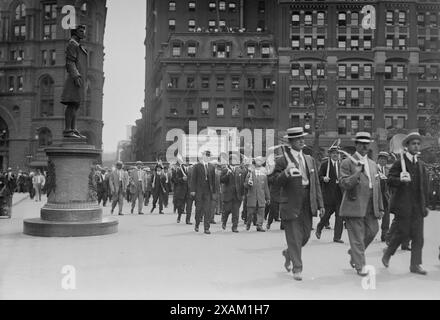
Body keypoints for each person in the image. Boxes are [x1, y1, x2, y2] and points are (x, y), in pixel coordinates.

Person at [274, 127, 324, 281]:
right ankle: (297, 268)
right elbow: (275, 182)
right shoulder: (282, 160)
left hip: (307, 201)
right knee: (295, 237)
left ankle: (289, 253)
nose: (301, 141)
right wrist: (285, 172)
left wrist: (320, 204)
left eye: (302, 138)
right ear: (290, 142)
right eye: (297, 139)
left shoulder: (309, 159)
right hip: (291, 202)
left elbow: (315, 184)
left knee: (306, 236)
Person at [382, 132, 430, 275]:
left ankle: (415, 265)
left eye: (417, 143)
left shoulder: (421, 165)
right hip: (403, 206)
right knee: (404, 233)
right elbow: (389, 180)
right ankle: (388, 253)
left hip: (417, 207)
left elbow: (424, 187)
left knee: (418, 237)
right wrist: (400, 180)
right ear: (407, 146)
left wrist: (425, 205)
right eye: (413, 143)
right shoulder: (400, 163)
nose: (416, 146)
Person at [339, 132, 384, 277]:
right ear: (356, 145)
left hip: (371, 204)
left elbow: (377, 187)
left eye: (367, 143)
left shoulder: (372, 164)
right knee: (357, 237)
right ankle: (360, 266)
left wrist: (380, 206)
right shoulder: (347, 163)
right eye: (361, 144)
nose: (365, 146)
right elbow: (344, 183)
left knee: (373, 231)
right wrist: (356, 174)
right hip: (354, 204)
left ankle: (354, 253)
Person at [316, 145, 344, 243]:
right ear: (330, 154)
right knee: (326, 215)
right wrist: (323, 178)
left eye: (337, 153)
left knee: (340, 217)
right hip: (328, 194)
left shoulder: (342, 165)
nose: (335, 155)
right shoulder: (325, 165)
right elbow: (318, 177)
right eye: (333, 153)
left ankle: (337, 237)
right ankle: (319, 227)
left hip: (339, 195)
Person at [190, 151, 216, 234]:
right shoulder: (197, 166)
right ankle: (197, 224)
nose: (208, 157)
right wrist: (193, 190)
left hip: (208, 192)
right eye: (206, 155)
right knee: (198, 210)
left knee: (207, 210)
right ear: (203, 156)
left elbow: (213, 180)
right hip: (199, 191)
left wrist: (214, 191)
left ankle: (206, 228)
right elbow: (193, 179)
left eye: (209, 156)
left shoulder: (212, 167)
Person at [220, 154, 245, 233]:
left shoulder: (240, 170)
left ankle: (234, 227)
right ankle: (224, 222)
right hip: (228, 194)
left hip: (237, 195)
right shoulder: (225, 169)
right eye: (232, 159)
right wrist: (227, 174)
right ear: (229, 161)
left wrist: (243, 194)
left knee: (236, 212)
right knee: (226, 211)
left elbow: (242, 183)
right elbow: (221, 180)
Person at [245, 157, 270, 232]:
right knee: (250, 213)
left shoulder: (264, 175)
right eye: (257, 161)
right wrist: (248, 183)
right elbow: (245, 185)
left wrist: (268, 198)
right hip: (252, 196)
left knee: (261, 211)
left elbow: (266, 187)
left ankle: (259, 225)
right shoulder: (250, 172)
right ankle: (248, 223)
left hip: (261, 197)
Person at [172, 156, 191, 224]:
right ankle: (179, 216)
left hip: (189, 190)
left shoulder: (191, 169)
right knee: (180, 206)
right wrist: (182, 179)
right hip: (181, 190)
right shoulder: (179, 170)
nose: (187, 162)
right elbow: (175, 180)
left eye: (188, 161)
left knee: (189, 206)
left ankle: (188, 220)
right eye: (186, 161)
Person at [377, 152, 391, 242]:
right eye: (381, 159)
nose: (383, 161)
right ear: (378, 159)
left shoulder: (388, 170)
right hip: (375, 196)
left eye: (385, 159)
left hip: (385, 197)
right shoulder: (374, 169)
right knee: (372, 216)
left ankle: (384, 235)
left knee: (386, 217)